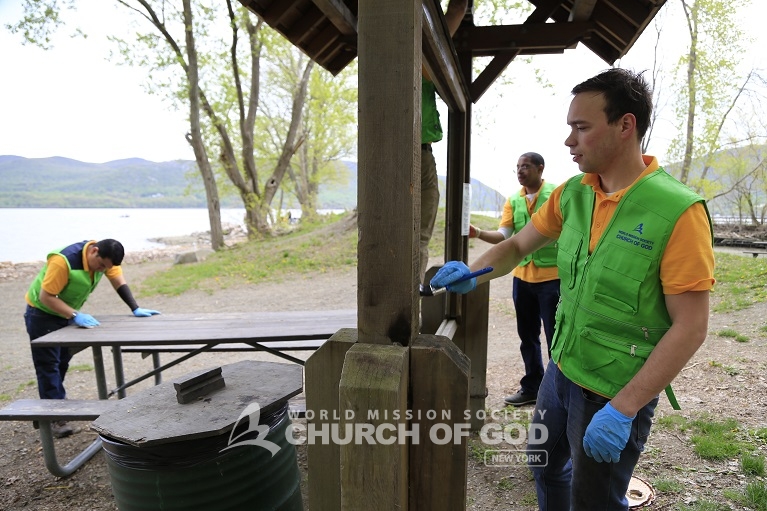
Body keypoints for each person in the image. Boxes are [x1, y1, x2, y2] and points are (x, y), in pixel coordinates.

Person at [431, 68, 715, 510]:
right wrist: (474, 272)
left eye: (581, 128)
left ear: (625, 126)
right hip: (561, 370)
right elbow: (516, 246)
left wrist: (624, 408)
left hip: (614, 391)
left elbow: (691, 327)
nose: (569, 141)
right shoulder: (572, 195)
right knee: (544, 464)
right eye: (569, 128)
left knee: (596, 500)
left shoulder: (677, 211)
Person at [24, 239, 160, 438]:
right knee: (48, 365)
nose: (102, 271)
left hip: (65, 314)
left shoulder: (106, 258)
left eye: (106, 268)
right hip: (42, 314)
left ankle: (49, 407)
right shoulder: (63, 262)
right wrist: (74, 315)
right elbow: (46, 297)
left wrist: (135, 307)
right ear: (94, 251)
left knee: (61, 361)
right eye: (101, 266)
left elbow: (118, 281)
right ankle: (54, 418)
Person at [468, 152, 558, 407]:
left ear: (541, 168)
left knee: (556, 337)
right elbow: (504, 235)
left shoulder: (557, 195)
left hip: (553, 279)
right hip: (522, 278)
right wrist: (478, 233)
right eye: (518, 167)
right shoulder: (513, 200)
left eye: (526, 166)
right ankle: (532, 386)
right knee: (527, 336)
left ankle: (557, 390)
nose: (520, 171)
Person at [419, 0, 468, 284]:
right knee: (419, 238)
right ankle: (408, 302)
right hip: (416, 153)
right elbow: (458, 10)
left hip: (422, 151)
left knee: (419, 237)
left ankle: (411, 299)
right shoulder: (416, 58)